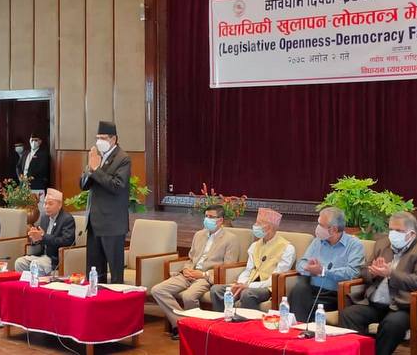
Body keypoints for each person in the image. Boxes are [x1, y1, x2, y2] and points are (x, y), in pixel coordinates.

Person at [339, 212, 417, 355]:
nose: (393, 234)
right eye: (391, 229)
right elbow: (363, 270)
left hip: (403, 306)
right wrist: (373, 272)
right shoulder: (382, 244)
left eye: (398, 230)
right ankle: (361, 352)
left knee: (392, 324)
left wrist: (391, 273)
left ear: (411, 234)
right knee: (349, 314)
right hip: (375, 303)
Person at [151, 204, 239, 339]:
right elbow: (191, 258)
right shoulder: (199, 235)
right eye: (206, 216)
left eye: (211, 217)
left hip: (206, 277)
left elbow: (228, 267)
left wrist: (204, 274)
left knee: (188, 296)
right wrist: (186, 268)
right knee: (157, 290)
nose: (207, 219)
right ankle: (181, 324)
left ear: (220, 220)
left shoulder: (231, 239)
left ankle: (193, 329)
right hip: (189, 273)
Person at [210, 208, 295, 311]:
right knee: (216, 289)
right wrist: (241, 283)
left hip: (267, 288)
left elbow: (274, 279)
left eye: (259, 223)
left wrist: (249, 286)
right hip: (247, 284)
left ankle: (247, 321)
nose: (255, 225)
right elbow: (248, 270)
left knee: (247, 294)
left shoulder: (287, 248)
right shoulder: (255, 245)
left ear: (269, 227)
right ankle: (223, 320)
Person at [290, 206, 365, 322]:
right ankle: (296, 328)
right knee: (298, 290)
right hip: (310, 289)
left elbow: (353, 273)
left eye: (321, 225)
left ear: (334, 229)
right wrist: (308, 267)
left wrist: (323, 271)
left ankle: (301, 328)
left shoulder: (354, 245)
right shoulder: (318, 241)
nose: (317, 228)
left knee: (305, 305)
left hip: (332, 294)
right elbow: (301, 263)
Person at [80, 120, 131, 284]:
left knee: (115, 273)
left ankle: (116, 299)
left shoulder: (123, 158)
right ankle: (96, 296)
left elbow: (117, 186)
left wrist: (97, 170)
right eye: (97, 137)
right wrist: (89, 170)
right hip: (94, 223)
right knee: (94, 272)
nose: (99, 141)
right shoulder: (96, 156)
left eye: (103, 138)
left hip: (112, 224)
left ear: (113, 139)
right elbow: (83, 185)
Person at [15, 188, 75, 275]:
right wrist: (35, 238)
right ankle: (26, 284)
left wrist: (43, 236)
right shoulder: (44, 217)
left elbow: (67, 241)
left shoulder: (67, 219)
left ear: (59, 205)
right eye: (45, 203)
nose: (46, 206)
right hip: (41, 255)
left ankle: (36, 283)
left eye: (50, 204)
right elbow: (41, 238)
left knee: (36, 265)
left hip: (55, 258)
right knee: (19, 262)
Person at [19, 134, 50, 209]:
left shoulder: (43, 154)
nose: (33, 142)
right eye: (32, 140)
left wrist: (28, 177)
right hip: (24, 186)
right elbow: (18, 166)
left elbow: (42, 168)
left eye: (36, 140)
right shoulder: (25, 153)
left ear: (40, 141)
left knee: (38, 208)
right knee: (24, 208)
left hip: (37, 185)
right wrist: (20, 176)